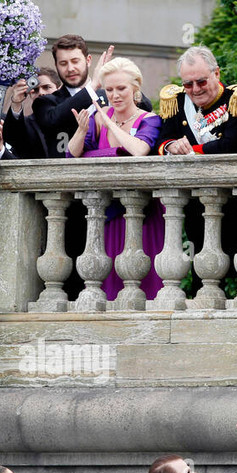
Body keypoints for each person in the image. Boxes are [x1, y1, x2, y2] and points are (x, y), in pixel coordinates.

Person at [66, 57, 164, 303]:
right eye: (109, 90)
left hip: (142, 214)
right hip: (107, 211)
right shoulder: (96, 118)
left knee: (142, 282)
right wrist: (81, 130)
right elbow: (72, 154)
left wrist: (109, 122)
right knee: (108, 281)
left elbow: (139, 150)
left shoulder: (149, 119)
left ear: (135, 88)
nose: (115, 95)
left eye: (121, 88)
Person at [33, 34, 152, 158]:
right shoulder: (45, 102)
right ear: (56, 65)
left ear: (88, 60)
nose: (70, 68)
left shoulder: (108, 94)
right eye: (63, 63)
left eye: (75, 61)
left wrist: (121, 78)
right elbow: (53, 120)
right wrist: (94, 86)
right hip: (65, 173)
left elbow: (146, 107)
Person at [155, 46, 237, 155]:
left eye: (201, 82)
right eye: (188, 84)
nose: (195, 89)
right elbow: (161, 140)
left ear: (216, 74)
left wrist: (190, 151)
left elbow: (233, 145)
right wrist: (172, 146)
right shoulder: (177, 102)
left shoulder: (236, 101)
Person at [2, 67, 61, 159]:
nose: (41, 93)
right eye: (35, 90)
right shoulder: (26, 125)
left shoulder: (73, 116)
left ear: (59, 89)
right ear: (30, 94)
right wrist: (16, 103)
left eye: (47, 87)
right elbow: (14, 136)